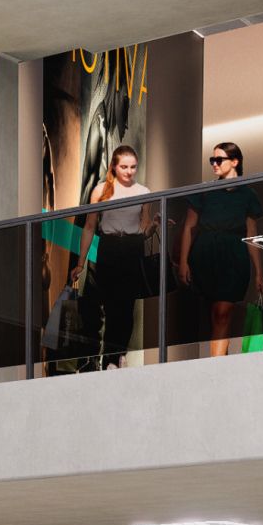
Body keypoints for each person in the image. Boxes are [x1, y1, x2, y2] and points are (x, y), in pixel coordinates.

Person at [178, 140, 263, 357]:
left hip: (234, 256)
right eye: (212, 160)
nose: (214, 164)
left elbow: (252, 234)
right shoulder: (205, 191)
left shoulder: (248, 195)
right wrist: (183, 262)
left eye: (219, 159)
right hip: (205, 254)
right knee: (211, 312)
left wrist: (259, 273)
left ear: (235, 162)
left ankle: (216, 364)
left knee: (223, 311)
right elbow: (189, 226)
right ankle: (218, 360)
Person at [87, 142, 152, 366]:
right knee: (111, 305)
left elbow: (143, 228)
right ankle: (110, 358)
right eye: (124, 166)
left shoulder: (143, 192)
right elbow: (89, 227)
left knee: (127, 307)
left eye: (133, 167)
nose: (129, 171)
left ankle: (116, 356)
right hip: (109, 247)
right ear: (114, 166)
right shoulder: (100, 190)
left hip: (133, 248)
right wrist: (80, 262)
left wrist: (153, 227)